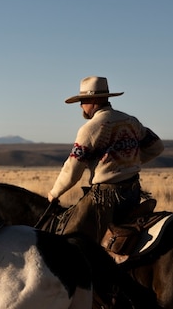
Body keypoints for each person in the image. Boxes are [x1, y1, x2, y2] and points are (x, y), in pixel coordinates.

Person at [46, 76, 164, 227]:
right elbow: (157, 146)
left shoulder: (90, 129)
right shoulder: (131, 121)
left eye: (83, 101)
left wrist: (54, 193)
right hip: (133, 193)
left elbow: (72, 169)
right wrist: (128, 163)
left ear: (93, 101)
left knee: (68, 234)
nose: (81, 106)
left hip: (106, 198)